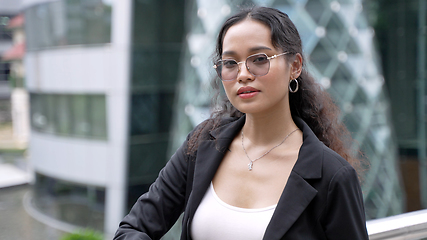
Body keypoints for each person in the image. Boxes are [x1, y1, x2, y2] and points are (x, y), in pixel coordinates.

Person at [114, 6, 369, 240]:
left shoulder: (333, 176)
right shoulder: (203, 145)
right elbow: (132, 229)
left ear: (295, 66)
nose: (243, 74)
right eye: (230, 63)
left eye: (259, 59)